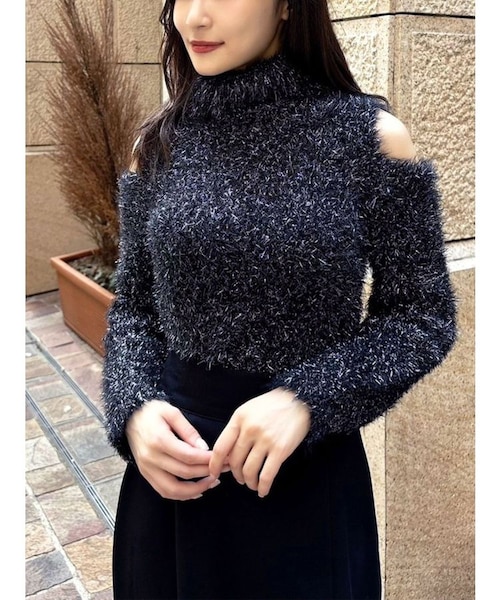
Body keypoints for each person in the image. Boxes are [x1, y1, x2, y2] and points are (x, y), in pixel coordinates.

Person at [102, 1, 457, 598]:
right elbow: (135, 306)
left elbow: (422, 316)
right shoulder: (159, 144)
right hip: (173, 486)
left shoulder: (369, 138)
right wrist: (133, 409)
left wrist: (309, 398)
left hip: (304, 486)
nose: (193, 18)